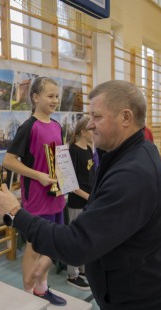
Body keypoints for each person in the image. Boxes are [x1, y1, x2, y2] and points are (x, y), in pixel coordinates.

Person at [0, 80, 161, 310]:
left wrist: (15, 213)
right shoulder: (123, 155)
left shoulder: (132, 175)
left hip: (140, 306)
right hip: (130, 294)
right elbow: (93, 225)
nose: (89, 125)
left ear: (125, 117)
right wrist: (53, 254)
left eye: (97, 116)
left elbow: (77, 244)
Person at [2, 76, 67, 306]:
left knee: (49, 245)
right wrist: (38, 175)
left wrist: (65, 184)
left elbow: (60, 161)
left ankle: (41, 289)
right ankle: (27, 295)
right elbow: (9, 161)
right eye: (50, 96)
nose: (55, 100)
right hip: (37, 200)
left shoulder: (58, 126)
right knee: (34, 247)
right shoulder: (28, 127)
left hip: (56, 197)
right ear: (36, 97)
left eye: (57, 96)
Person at [65, 116, 95, 291]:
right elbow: (70, 183)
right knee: (75, 238)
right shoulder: (73, 151)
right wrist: (88, 197)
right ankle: (72, 274)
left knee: (86, 236)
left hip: (88, 201)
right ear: (83, 132)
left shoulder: (90, 149)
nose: (94, 132)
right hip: (77, 202)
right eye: (91, 129)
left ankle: (83, 270)